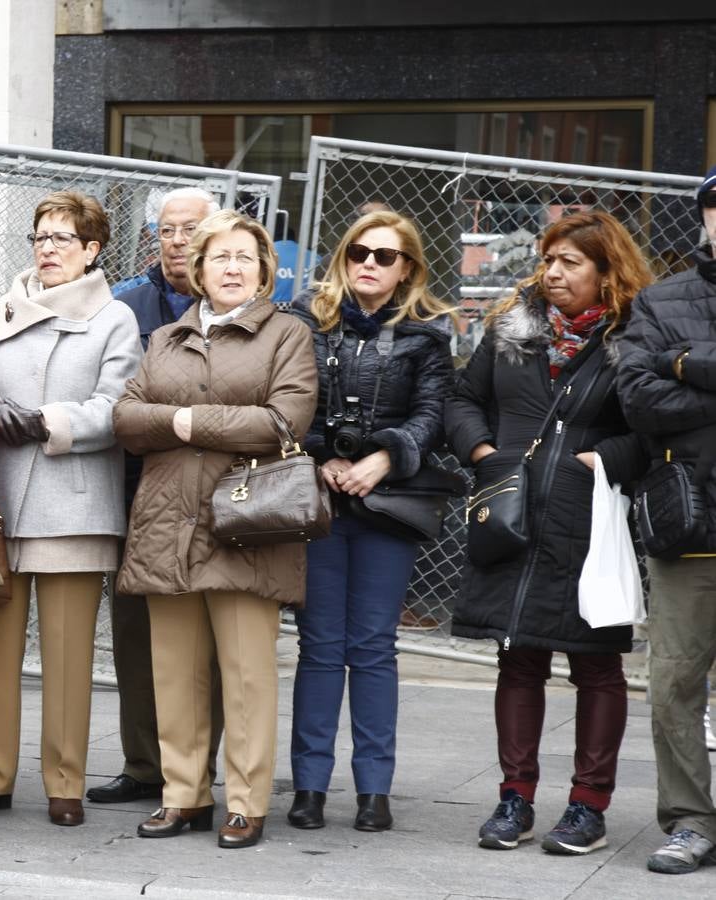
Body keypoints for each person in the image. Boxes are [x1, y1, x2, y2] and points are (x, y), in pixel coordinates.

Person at [447, 210, 651, 856]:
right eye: (549, 259)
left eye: (570, 262)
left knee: (597, 667)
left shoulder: (635, 339)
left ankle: (588, 807)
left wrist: (610, 461)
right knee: (519, 656)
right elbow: (462, 399)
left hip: (590, 523)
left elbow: (661, 423)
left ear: (604, 271)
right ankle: (516, 799)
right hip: (511, 518)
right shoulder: (514, 329)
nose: (553, 272)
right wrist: (483, 454)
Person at [113, 209, 317, 849]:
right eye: (220, 257)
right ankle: (183, 797)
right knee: (174, 671)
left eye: (245, 258)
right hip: (167, 520)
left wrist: (182, 422)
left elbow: (284, 421)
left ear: (263, 272)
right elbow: (125, 418)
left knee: (247, 672)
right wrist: (192, 421)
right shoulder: (164, 340)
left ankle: (247, 802)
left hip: (245, 520)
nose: (232, 268)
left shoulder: (286, 335)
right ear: (198, 270)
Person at [0, 190, 140, 827]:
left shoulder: (114, 318)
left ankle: (65, 784)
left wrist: (41, 421)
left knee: (67, 655)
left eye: (63, 238)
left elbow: (117, 406)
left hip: (76, 505)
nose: (48, 248)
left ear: (92, 250)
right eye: (41, 236)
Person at [286, 210, 455, 832]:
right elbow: (291, 398)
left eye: (385, 256)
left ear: (406, 267)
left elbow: (433, 414)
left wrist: (385, 457)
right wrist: (324, 455)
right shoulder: (307, 319)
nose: (369, 264)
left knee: (374, 648)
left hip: (388, 504)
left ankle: (373, 791)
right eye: (359, 251)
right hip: (321, 501)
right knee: (321, 647)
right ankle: (308, 788)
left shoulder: (427, 334)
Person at [88, 186, 225, 807]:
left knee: (211, 638)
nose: (177, 241)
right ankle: (144, 765)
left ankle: (197, 766)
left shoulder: (239, 300)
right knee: (136, 637)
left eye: (190, 229)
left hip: (218, 494)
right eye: (166, 229)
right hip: (135, 492)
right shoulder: (124, 304)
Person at [616, 168, 716, 875]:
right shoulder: (660, 301)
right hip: (691, 523)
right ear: (705, 218)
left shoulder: (663, 327)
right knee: (674, 682)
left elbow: (664, 379)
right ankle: (690, 821)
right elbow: (639, 401)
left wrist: (686, 366)